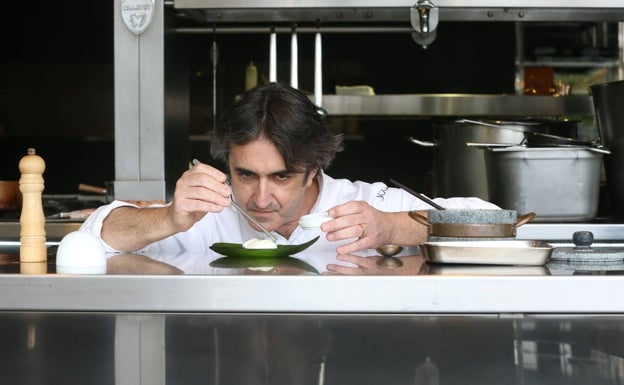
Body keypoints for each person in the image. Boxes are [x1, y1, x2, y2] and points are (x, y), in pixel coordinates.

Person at [81, 82, 498, 273]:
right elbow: (90, 238)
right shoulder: (207, 211)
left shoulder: (361, 206)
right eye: (245, 174)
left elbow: (496, 224)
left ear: (314, 168)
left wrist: (393, 225)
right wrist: (169, 218)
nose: (260, 198)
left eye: (281, 176)